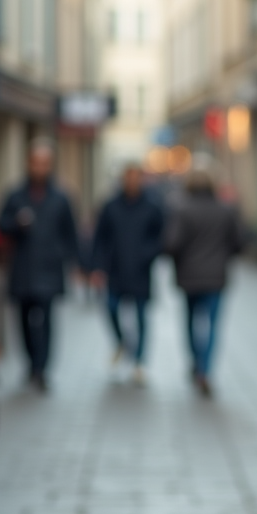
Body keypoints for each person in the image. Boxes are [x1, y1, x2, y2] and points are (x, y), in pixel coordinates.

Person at [0, 138, 80, 392]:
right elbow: (1, 225)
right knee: (23, 320)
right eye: (36, 162)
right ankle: (31, 363)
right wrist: (16, 224)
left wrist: (75, 263)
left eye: (45, 163)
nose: (40, 167)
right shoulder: (16, 195)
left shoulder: (61, 197)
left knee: (46, 321)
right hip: (23, 269)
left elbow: (71, 234)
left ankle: (42, 369)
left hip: (49, 268)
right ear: (28, 163)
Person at [164, 167, 245, 396]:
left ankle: (195, 362)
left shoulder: (181, 210)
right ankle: (205, 371)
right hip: (216, 277)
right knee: (212, 324)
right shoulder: (225, 210)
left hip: (188, 276)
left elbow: (172, 244)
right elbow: (239, 243)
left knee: (190, 321)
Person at [91, 163, 165, 386]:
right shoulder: (111, 206)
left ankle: (139, 362)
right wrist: (97, 266)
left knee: (141, 317)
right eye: (128, 177)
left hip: (141, 271)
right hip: (115, 270)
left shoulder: (152, 206)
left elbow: (160, 236)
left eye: (135, 177)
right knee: (111, 308)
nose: (132, 182)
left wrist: (147, 255)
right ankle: (122, 342)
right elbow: (100, 237)